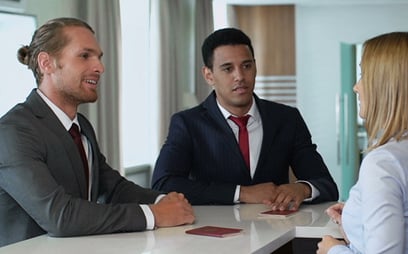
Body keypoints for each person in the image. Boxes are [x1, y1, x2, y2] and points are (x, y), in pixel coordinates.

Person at [0, 17, 195, 247]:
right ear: (47, 63)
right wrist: (154, 214)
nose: (100, 67)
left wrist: (164, 200)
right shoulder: (13, 131)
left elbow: (112, 187)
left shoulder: (81, 125)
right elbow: (60, 216)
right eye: (85, 56)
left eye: (99, 57)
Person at [151, 28, 339, 211]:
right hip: (212, 237)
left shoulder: (287, 118)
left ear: (255, 67)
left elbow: (326, 185)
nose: (240, 76)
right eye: (228, 69)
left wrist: (303, 189)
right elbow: (163, 184)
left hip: (278, 235)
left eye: (246, 66)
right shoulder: (187, 124)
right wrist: (242, 193)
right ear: (209, 75)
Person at [316, 32, 408, 254]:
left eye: (364, 75)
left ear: (388, 86)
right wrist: (357, 214)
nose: (356, 87)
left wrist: (332, 250)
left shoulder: (383, 164)